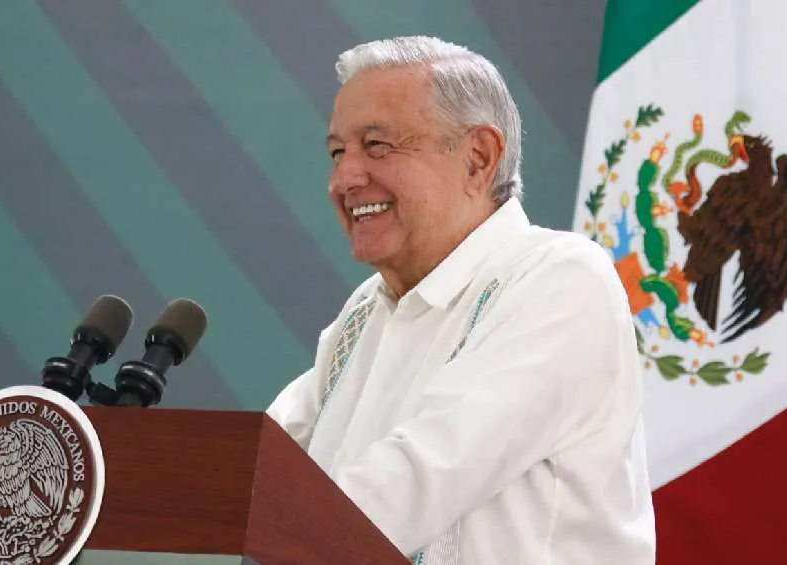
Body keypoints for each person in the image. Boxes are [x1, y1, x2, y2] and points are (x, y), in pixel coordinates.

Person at [266, 35, 655, 564]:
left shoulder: (560, 277)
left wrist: (265, 532)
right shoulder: (369, 308)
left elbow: (419, 477)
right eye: (338, 152)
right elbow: (267, 460)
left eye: (377, 145)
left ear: (478, 158)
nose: (345, 178)